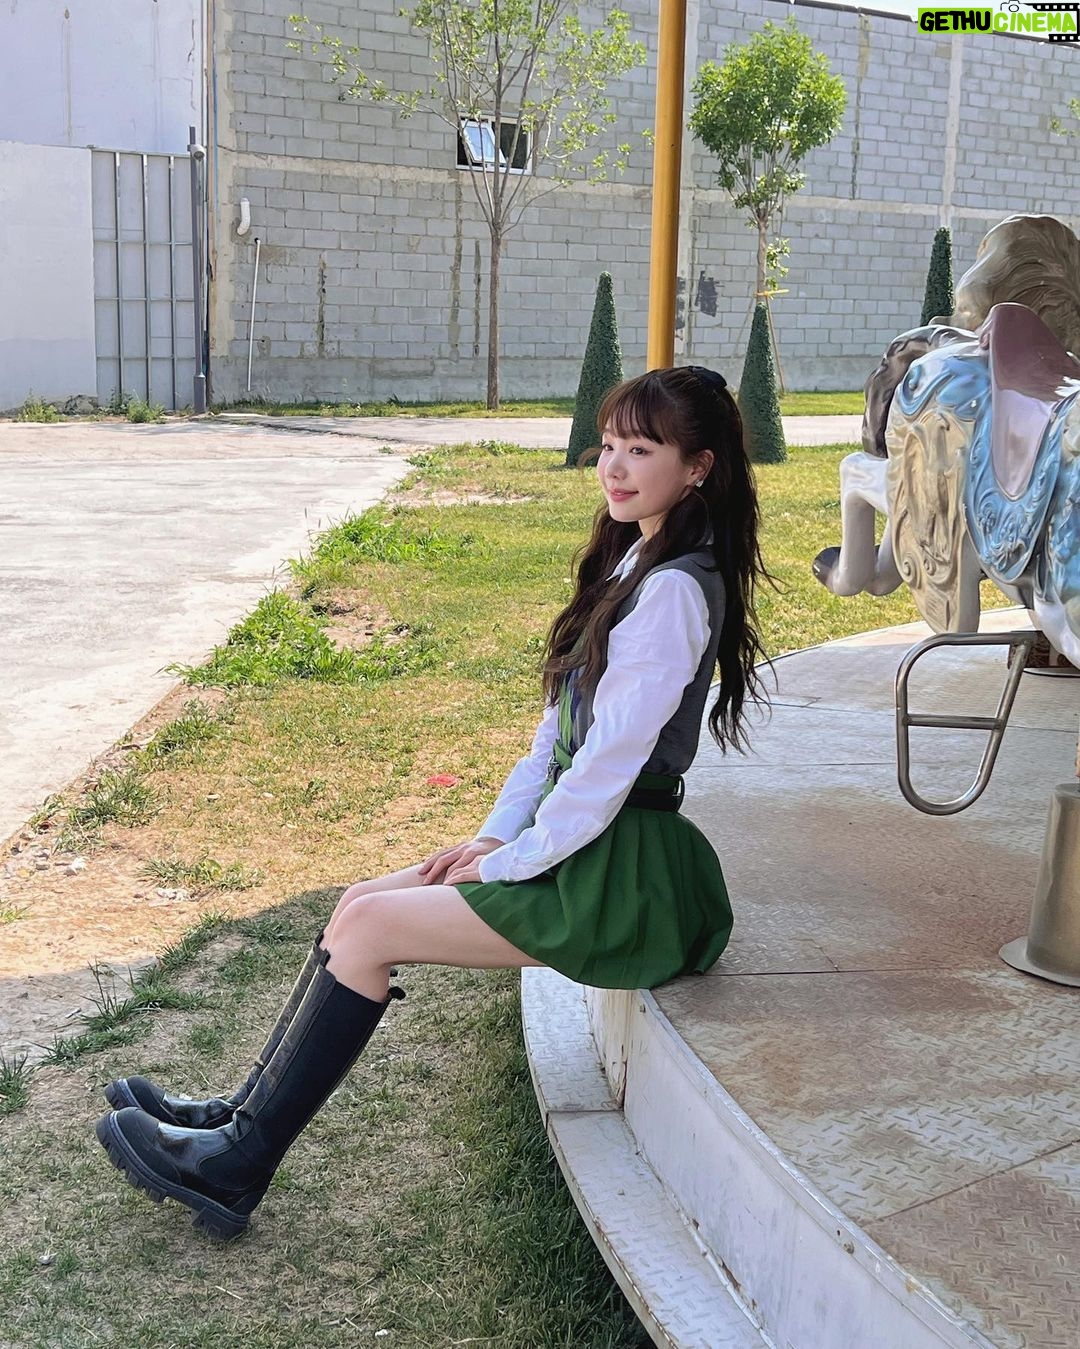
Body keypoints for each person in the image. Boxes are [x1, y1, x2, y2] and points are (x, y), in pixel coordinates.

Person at [95, 365, 771, 1240]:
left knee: (374, 928)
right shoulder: (634, 559)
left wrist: (512, 860)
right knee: (360, 902)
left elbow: (605, 771)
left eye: (642, 449)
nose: (614, 465)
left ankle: (237, 1164)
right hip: (582, 846)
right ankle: (240, 1115)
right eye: (609, 444)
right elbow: (553, 742)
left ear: (698, 466)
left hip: (621, 877)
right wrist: (491, 836)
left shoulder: (675, 588)